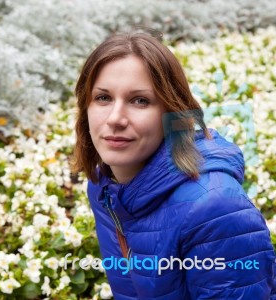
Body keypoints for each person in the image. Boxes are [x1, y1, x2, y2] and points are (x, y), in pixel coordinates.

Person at [71, 31, 276, 299]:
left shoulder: (215, 210)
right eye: (103, 98)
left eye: (139, 101)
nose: (115, 118)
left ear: (172, 112)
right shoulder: (105, 187)